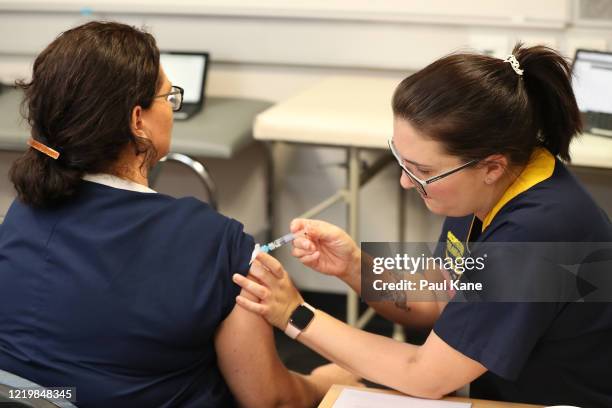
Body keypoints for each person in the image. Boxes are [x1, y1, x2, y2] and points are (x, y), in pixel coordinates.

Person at [0, 21, 358, 408]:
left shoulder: (22, 214)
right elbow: (273, 401)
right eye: (168, 99)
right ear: (137, 121)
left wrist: (359, 266)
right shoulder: (216, 244)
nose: (172, 110)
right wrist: (329, 382)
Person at [233, 43, 612, 408]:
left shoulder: (533, 236)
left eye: (422, 171)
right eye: (401, 159)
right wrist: (356, 266)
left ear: (491, 166)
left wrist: (296, 314)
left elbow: (426, 375)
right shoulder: (493, 181)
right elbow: (440, 295)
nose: (404, 181)